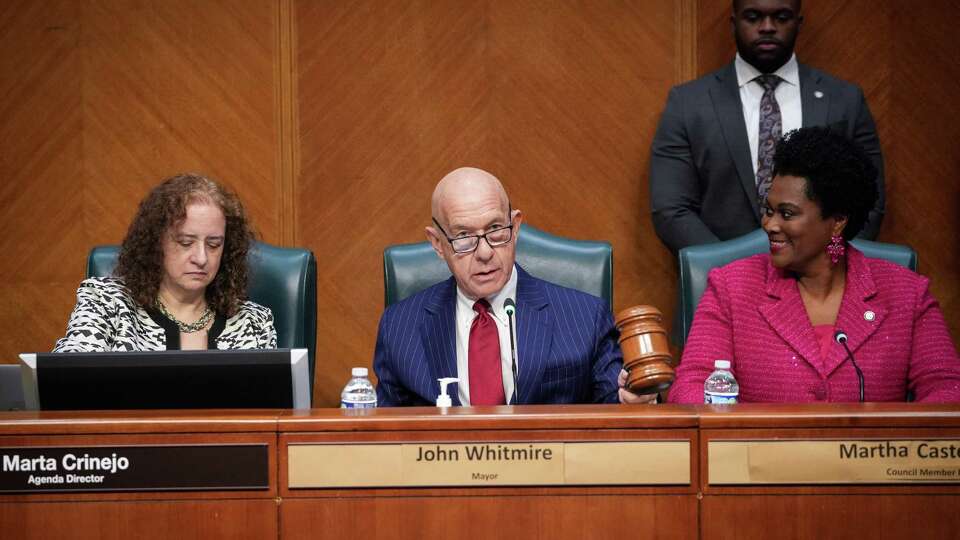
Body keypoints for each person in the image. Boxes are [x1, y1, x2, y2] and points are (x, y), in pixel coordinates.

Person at [668, 127, 960, 403]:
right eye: (769, 210)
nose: (769, 225)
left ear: (837, 222)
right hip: (760, 454)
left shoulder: (907, 294)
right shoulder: (732, 287)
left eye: (787, 213)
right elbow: (691, 387)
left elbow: (947, 389)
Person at [374, 167, 650, 406]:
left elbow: (613, 408)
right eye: (464, 237)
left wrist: (629, 397)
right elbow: (384, 434)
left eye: (495, 230)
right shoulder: (400, 327)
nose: (484, 253)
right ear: (437, 243)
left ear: (515, 225)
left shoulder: (585, 318)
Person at [649, 0, 885, 254]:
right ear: (734, 23)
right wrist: (732, 275)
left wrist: (827, 265)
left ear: (798, 23)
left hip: (823, 284)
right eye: (753, 17)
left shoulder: (844, 100)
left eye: (781, 17)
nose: (767, 27)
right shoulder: (688, 103)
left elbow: (869, 202)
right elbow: (671, 210)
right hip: (721, 282)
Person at [54, 173, 276, 352]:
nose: (201, 258)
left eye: (214, 244)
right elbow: (65, 382)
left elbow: (274, 405)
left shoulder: (254, 322)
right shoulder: (106, 303)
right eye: (185, 242)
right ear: (156, 242)